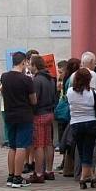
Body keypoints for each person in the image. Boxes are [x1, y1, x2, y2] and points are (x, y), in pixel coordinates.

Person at [0, 52, 37, 188]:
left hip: (9, 114)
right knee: (22, 146)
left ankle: (10, 176)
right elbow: (33, 100)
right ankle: (18, 177)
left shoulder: (4, 77)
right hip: (24, 115)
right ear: (23, 62)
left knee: (12, 146)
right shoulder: (26, 80)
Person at [67, 67, 96, 189]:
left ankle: (90, 176)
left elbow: (69, 103)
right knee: (89, 150)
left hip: (75, 123)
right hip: (90, 122)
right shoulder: (93, 93)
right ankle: (84, 177)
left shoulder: (70, 91)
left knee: (81, 150)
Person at [30, 54, 57, 183]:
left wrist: (32, 111)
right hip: (50, 112)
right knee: (48, 143)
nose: (29, 67)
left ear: (35, 66)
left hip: (39, 114)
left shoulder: (37, 80)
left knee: (39, 145)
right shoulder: (51, 79)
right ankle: (49, 171)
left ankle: (39, 173)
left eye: (30, 64)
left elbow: (34, 99)